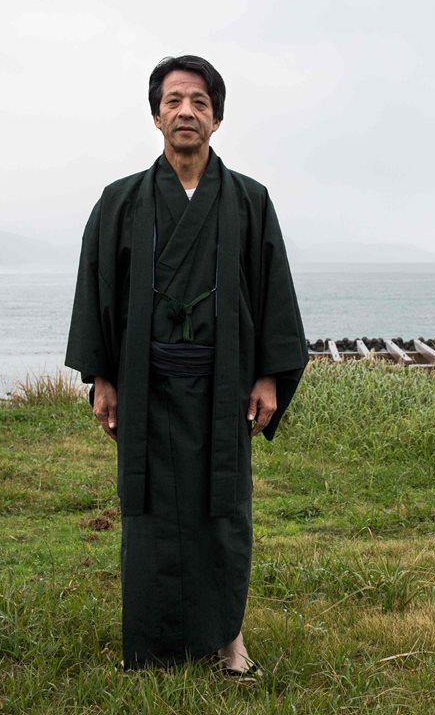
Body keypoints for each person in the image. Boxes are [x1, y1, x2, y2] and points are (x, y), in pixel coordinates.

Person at [65, 55, 309, 674]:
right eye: (174, 101)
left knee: (222, 512)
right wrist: (103, 378)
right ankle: (151, 647)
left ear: (217, 120)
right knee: (148, 514)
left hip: (223, 385)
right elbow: (96, 293)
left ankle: (229, 641)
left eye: (199, 103)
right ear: (155, 115)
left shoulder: (249, 201)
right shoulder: (120, 202)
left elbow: (271, 290)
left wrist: (267, 375)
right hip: (146, 385)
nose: (186, 112)